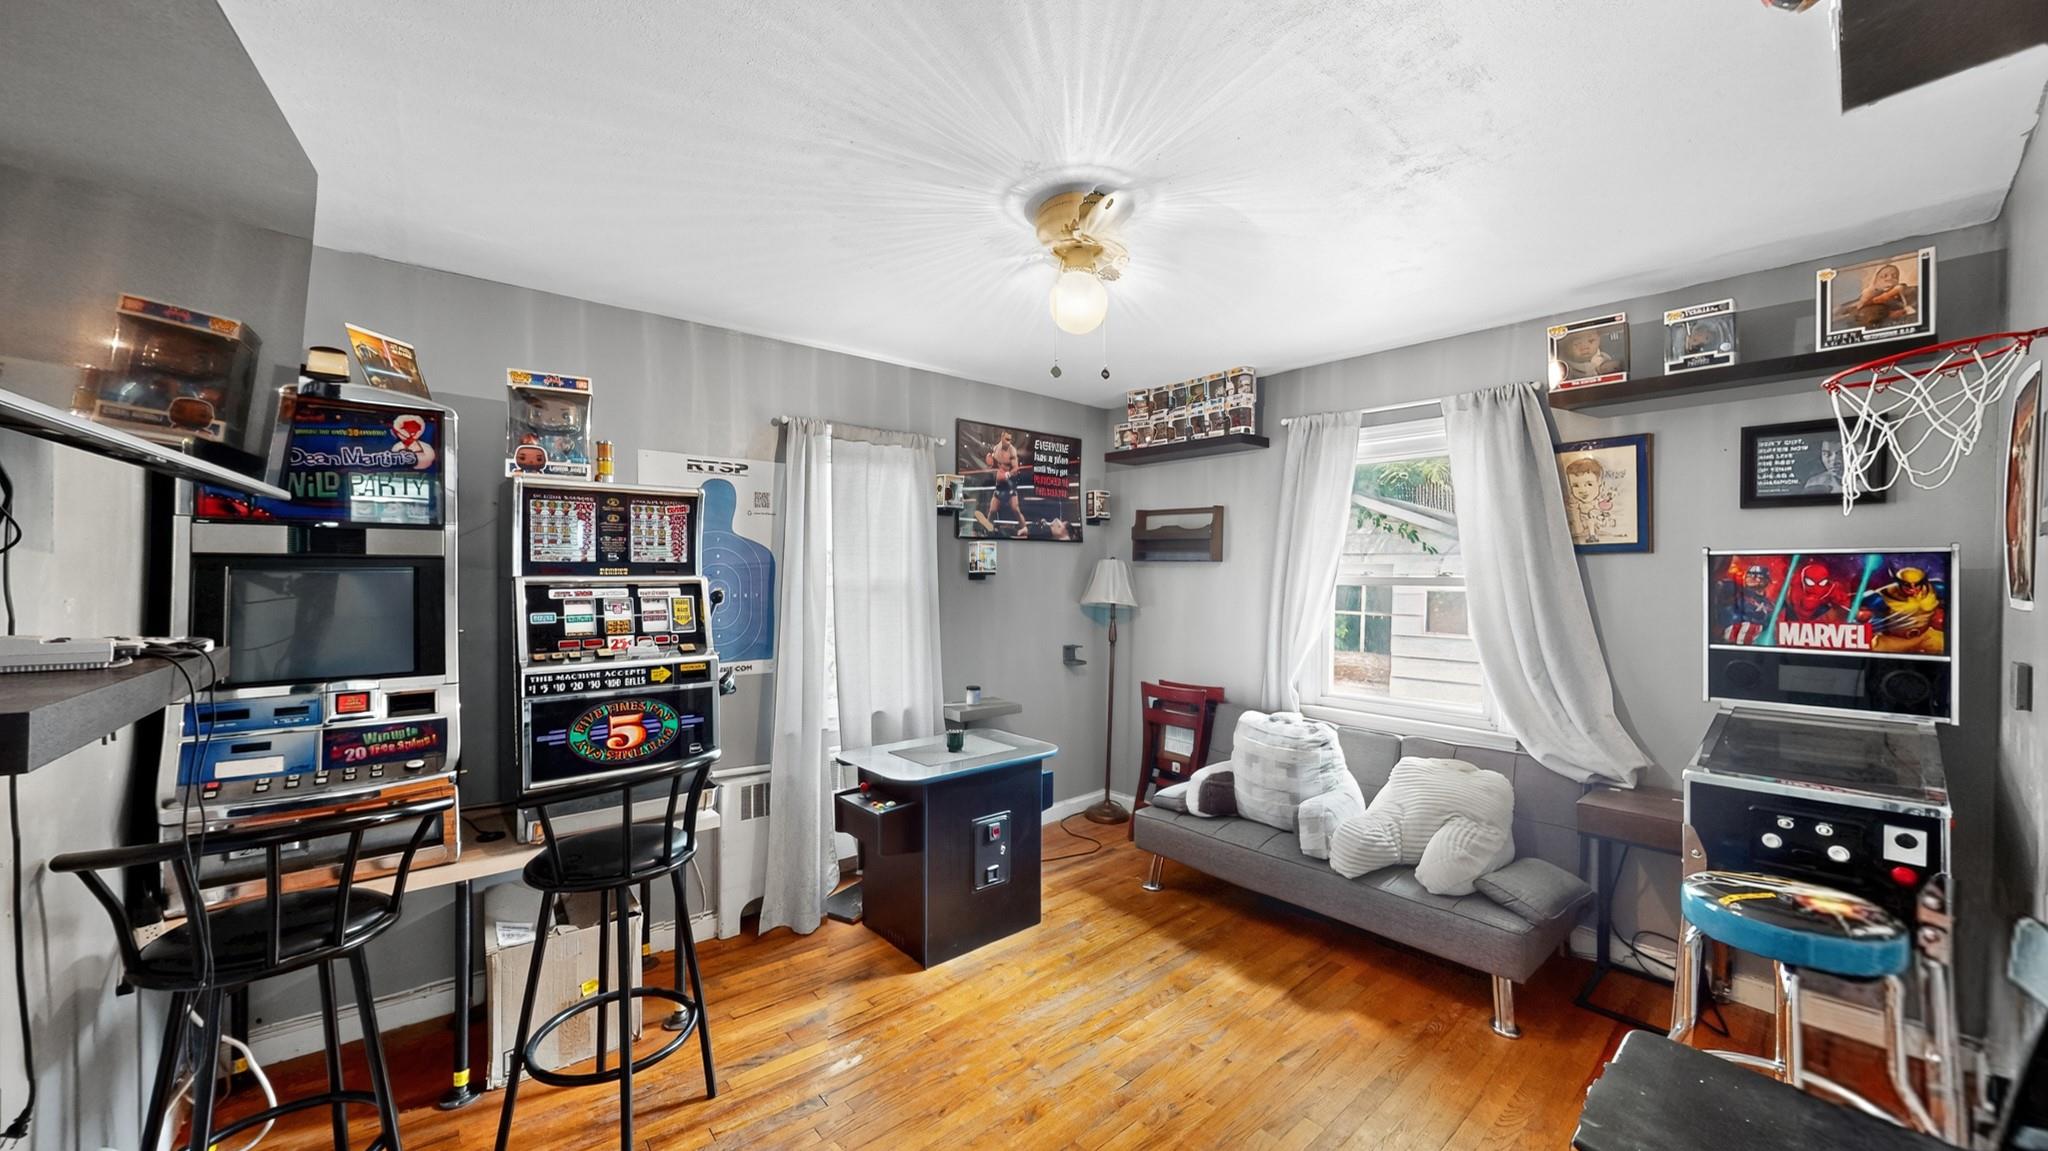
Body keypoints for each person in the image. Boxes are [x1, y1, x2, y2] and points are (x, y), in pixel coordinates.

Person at [1836, 262, 1917, 330]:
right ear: (1875, 281)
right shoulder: (1866, 298)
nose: (1889, 278)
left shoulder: (1906, 293)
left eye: (1895, 276)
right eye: (1884, 276)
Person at [983, 430, 1030, 539]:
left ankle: (1025, 530)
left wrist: (1006, 475)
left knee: (1015, 509)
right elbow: (994, 465)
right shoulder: (996, 448)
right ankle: (987, 531)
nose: (1009, 442)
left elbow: (1016, 468)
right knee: (992, 510)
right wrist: (990, 463)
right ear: (1002, 437)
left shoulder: (1012, 451)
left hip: (1010, 483)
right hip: (1000, 484)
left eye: (1010, 440)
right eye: (1007, 439)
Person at [1562, 456, 1617, 542]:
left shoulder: (1598, 503)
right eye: (1576, 485)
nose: (1582, 490)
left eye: (1589, 484)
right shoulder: (1574, 506)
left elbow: (1606, 506)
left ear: (1600, 484)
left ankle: (1593, 535)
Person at [1556, 328, 1621, 381]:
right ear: (1566, 346)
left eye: (1591, 341)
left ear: (1599, 340)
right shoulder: (1563, 368)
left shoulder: (1605, 360)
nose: (1585, 347)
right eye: (1577, 343)